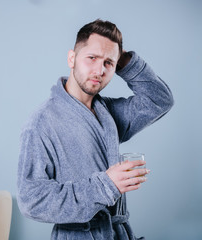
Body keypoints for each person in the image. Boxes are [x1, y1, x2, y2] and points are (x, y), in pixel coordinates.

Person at [17, 19, 174, 240]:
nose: (99, 70)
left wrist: (125, 61)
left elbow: (159, 100)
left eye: (109, 63)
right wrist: (105, 186)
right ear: (72, 58)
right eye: (92, 58)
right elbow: (32, 201)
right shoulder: (41, 123)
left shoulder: (108, 113)